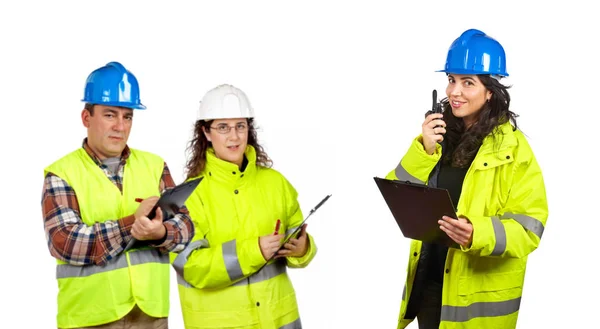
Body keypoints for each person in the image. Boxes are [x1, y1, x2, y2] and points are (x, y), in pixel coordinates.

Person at [385, 29, 548, 329]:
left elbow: (530, 227)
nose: (454, 92)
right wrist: (424, 149)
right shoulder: (436, 136)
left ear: (490, 91)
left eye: (468, 83)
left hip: (476, 301)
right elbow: (398, 192)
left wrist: (477, 233)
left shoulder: (514, 150)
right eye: (451, 79)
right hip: (432, 286)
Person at [41, 61, 195, 329]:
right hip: (90, 317)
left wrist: (159, 233)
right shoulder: (62, 173)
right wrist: (131, 226)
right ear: (86, 118)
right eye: (110, 115)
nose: (120, 126)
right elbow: (64, 242)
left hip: (151, 315)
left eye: (127, 117)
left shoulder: (155, 165)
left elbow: (187, 226)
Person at [171, 84, 317, 329]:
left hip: (278, 319)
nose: (234, 136)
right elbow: (190, 266)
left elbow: (297, 241)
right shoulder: (188, 195)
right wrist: (254, 250)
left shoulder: (275, 183)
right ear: (206, 132)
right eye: (223, 127)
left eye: (240, 126)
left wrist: (302, 249)